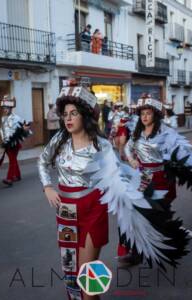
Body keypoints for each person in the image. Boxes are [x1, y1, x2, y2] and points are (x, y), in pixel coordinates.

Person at [38, 86, 189, 300]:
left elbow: (119, 177)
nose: (68, 119)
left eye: (74, 113)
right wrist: (47, 186)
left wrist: (140, 193)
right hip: (66, 211)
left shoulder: (101, 145)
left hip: (93, 209)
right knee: (70, 269)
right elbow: (42, 161)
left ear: (85, 115)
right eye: (65, 114)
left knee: (86, 274)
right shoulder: (59, 140)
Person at [120, 93, 192, 264]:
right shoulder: (137, 133)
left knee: (159, 213)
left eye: (148, 113)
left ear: (155, 115)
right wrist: (131, 160)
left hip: (161, 179)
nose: (144, 117)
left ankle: (172, 238)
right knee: (133, 212)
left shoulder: (166, 133)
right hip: (142, 178)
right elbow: (129, 147)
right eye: (142, 114)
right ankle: (135, 251)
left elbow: (181, 152)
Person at [0, 95, 31, 186]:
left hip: (14, 143)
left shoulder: (17, 118)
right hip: (7, 143)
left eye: (7, 108)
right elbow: (1, 129)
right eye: (4, 108)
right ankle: (17, 175)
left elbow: (27, 124)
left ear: (11, 109)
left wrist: (23, 129)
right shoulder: (3, 118)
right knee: (13, 160)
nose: (5, 110)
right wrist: (4, 140)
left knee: (12, 161)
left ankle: (9, 178)